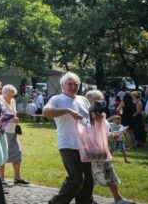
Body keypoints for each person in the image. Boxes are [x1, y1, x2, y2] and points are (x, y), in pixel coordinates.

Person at [42, 72, 96, 204]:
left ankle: (85, 202)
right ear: (62, 86)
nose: (73, 86)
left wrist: (97, 118)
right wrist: (68, 110)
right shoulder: (57, 99)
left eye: (75, 84)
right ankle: (56, 202)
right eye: (69, 84)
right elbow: (45, 112)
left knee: (88, 179)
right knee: (76, 178)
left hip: (85, 144)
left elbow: (90, 118)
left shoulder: (82, 99)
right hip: (68, 144)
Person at [85, 90, 134, 204]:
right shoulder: (87, 116)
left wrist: (114, 135)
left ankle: (118, 198)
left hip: (101, 149)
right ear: (89, 102)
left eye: (102, 100)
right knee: (90, 176)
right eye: (98, 100)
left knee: (107, 173)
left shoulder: (101, 115)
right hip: (92, 150)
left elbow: (106, 133)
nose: (101, 102)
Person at [1, 85, 29, 185]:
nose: (11, 97)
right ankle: (1, 178)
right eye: (9, 95)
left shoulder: (13, 101)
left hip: (13, 130)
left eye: (12, 95)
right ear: (3, 93)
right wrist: (10, 119)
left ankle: (17, 177)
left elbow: (13, 113)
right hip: (4, 130)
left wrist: (15, 119)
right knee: (3, 154)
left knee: (18, 152)